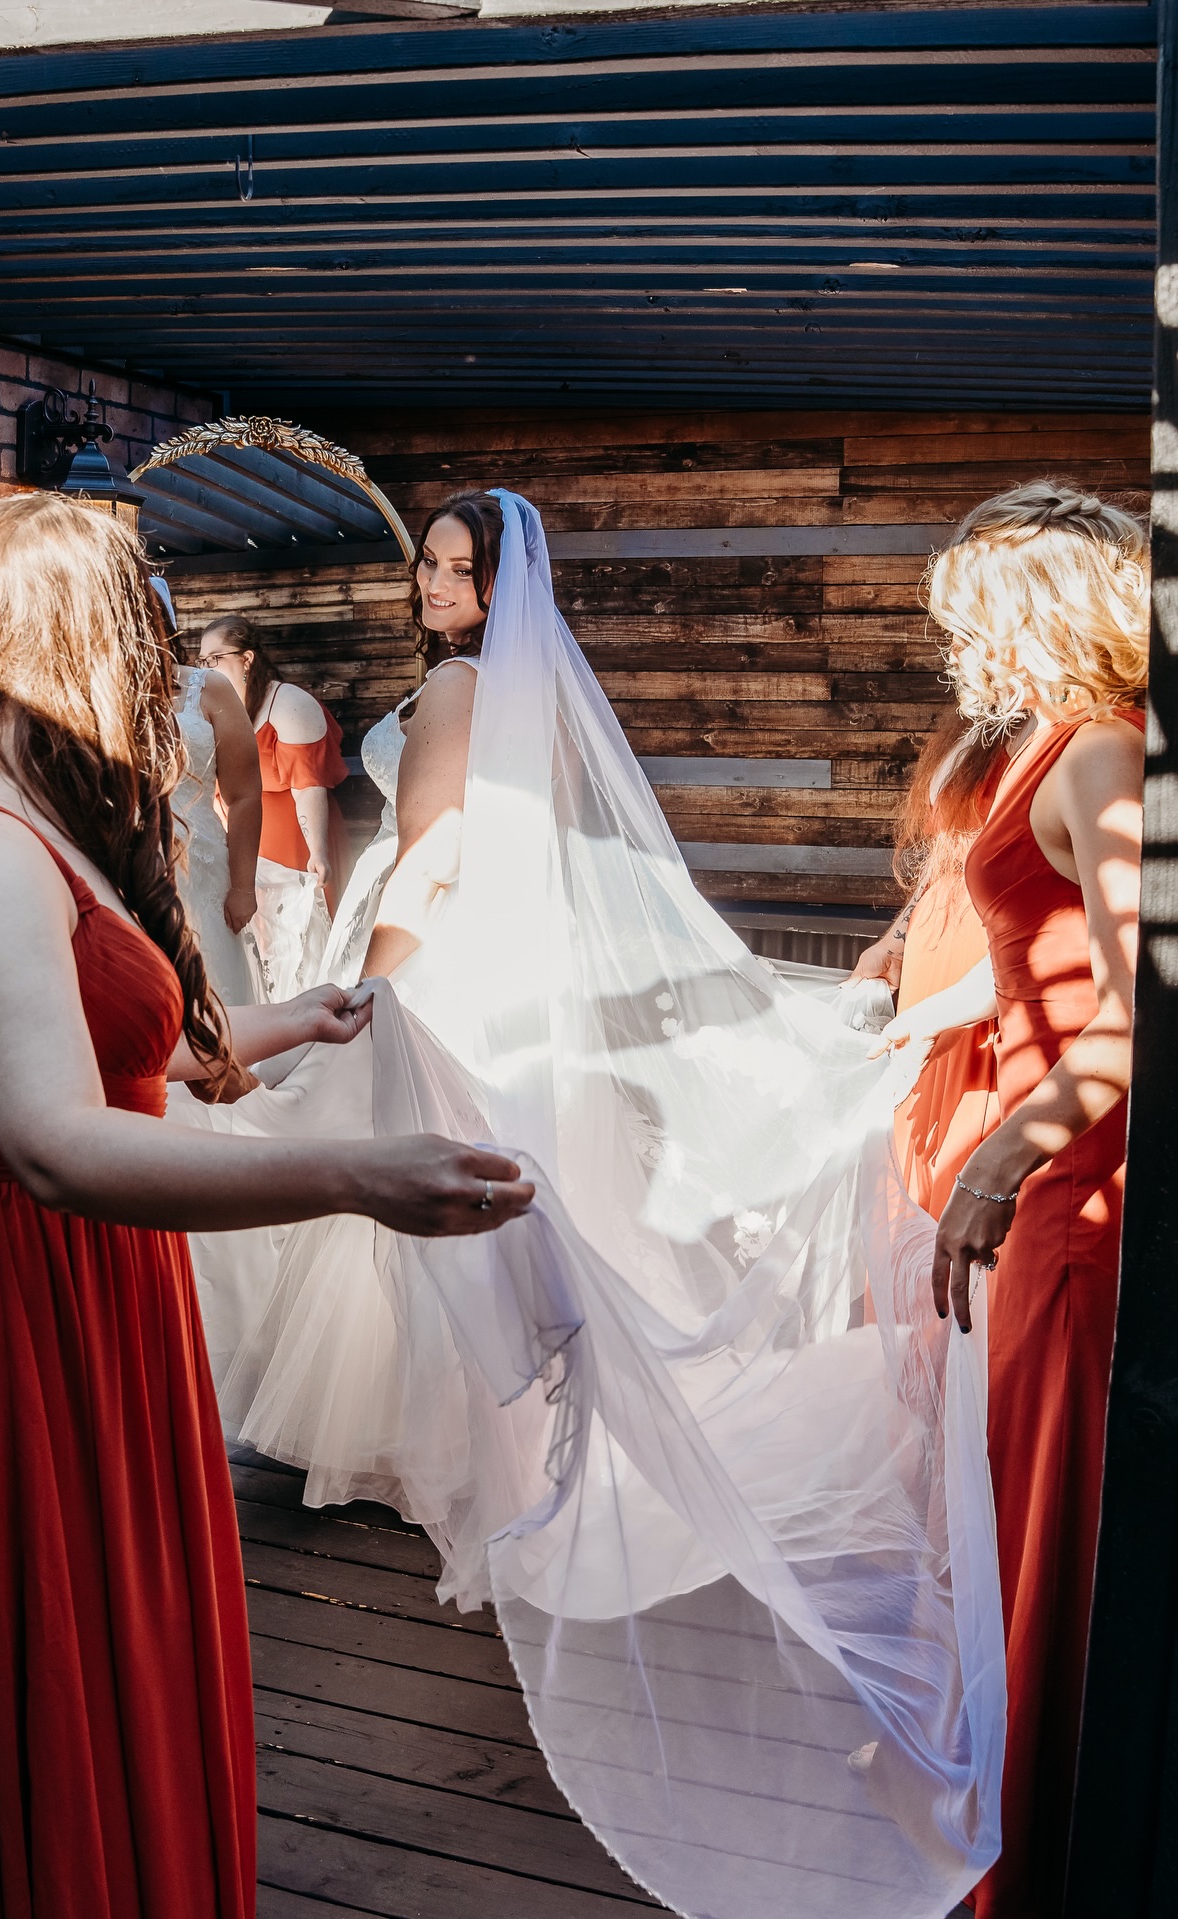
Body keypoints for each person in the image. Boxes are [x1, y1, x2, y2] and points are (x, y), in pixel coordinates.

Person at [178, 488, 1006, 1919]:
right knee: (494, 1221)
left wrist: (375, 978)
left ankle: (476, 1483)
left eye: (457, 567)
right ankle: (494, 1469)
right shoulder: (532, 690)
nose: (436, 585)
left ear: (501, 585)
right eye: (429, 564)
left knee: (431, 1237)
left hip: (437, 959)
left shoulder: (454, 689)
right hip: (516, 963)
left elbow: (432, 855)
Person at [0, 492, 532, 1919]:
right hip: (2, 1294)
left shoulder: (35, 814)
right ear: (80, 640)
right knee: (24, 1661)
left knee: (95, 1638)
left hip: (81, 1288)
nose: (168, 660)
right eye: (146, 624)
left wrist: (294, 1018)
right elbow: (60, 1139)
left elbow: (111, 1054)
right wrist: (362, 1177)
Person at [878, 482, 1147, 1917]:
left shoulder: (1104, 749)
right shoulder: (1048, 733)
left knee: (1049, 1498)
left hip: (1072, 1177)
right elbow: (1027, 930)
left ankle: (1038, 1858)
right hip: (1038, 1147)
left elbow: (1142, 1002)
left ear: (1030, 605)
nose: (954, 638)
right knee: (998, 1488)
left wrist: (1008, 1148)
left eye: (969, 608)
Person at [850, 710, 1007, 1215]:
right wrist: (895, 941)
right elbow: (945, 851)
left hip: (990, 935)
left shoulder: (1050, 731)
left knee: (967, 1100)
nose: (957, 650)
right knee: (915, 1101)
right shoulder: (968, 727)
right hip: (936, 930)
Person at [203, 615, 349, 1001]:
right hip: (246, 857)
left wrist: (317, 852)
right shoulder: (217, 707)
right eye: (201, 660)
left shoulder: (288, 704)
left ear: (247, 659)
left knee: (296, 957)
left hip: (295, 851)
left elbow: (308, 785)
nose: (206, 668)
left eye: (215, 658)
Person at [172, 622, 262, 1008]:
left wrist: (243, 887)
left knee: (213, 992)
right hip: (123, 866)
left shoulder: (209, 689)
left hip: (201, 865)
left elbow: (243, 794)